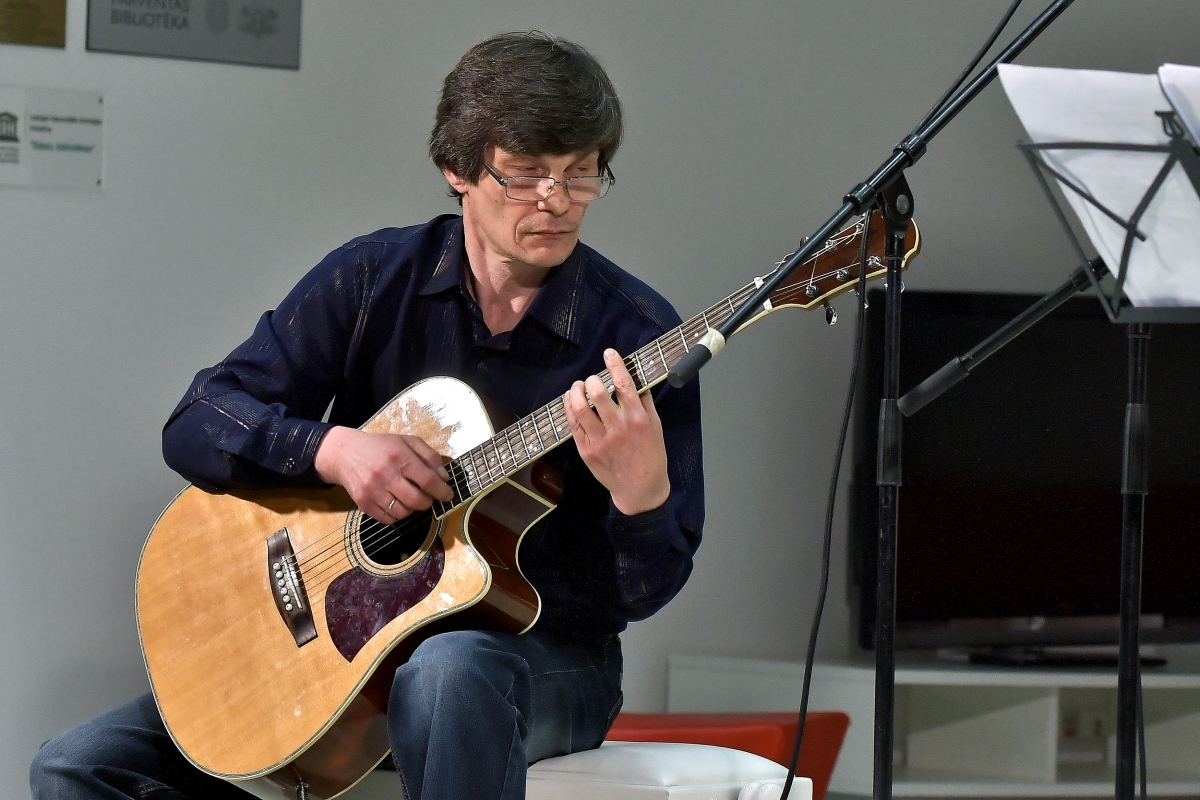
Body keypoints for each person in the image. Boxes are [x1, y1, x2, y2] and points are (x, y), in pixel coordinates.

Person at [30, 30, 703, 800]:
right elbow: (198, 420)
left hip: (542, 661)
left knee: (447, 672)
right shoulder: (371, 279)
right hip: (344, 652)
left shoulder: (637, 339)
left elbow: (640, 595)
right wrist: (334, 452)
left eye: (580, 173)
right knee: (76, 767)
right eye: (525, 175)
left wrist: (642, 496)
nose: (556, 200)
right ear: (458, 169)